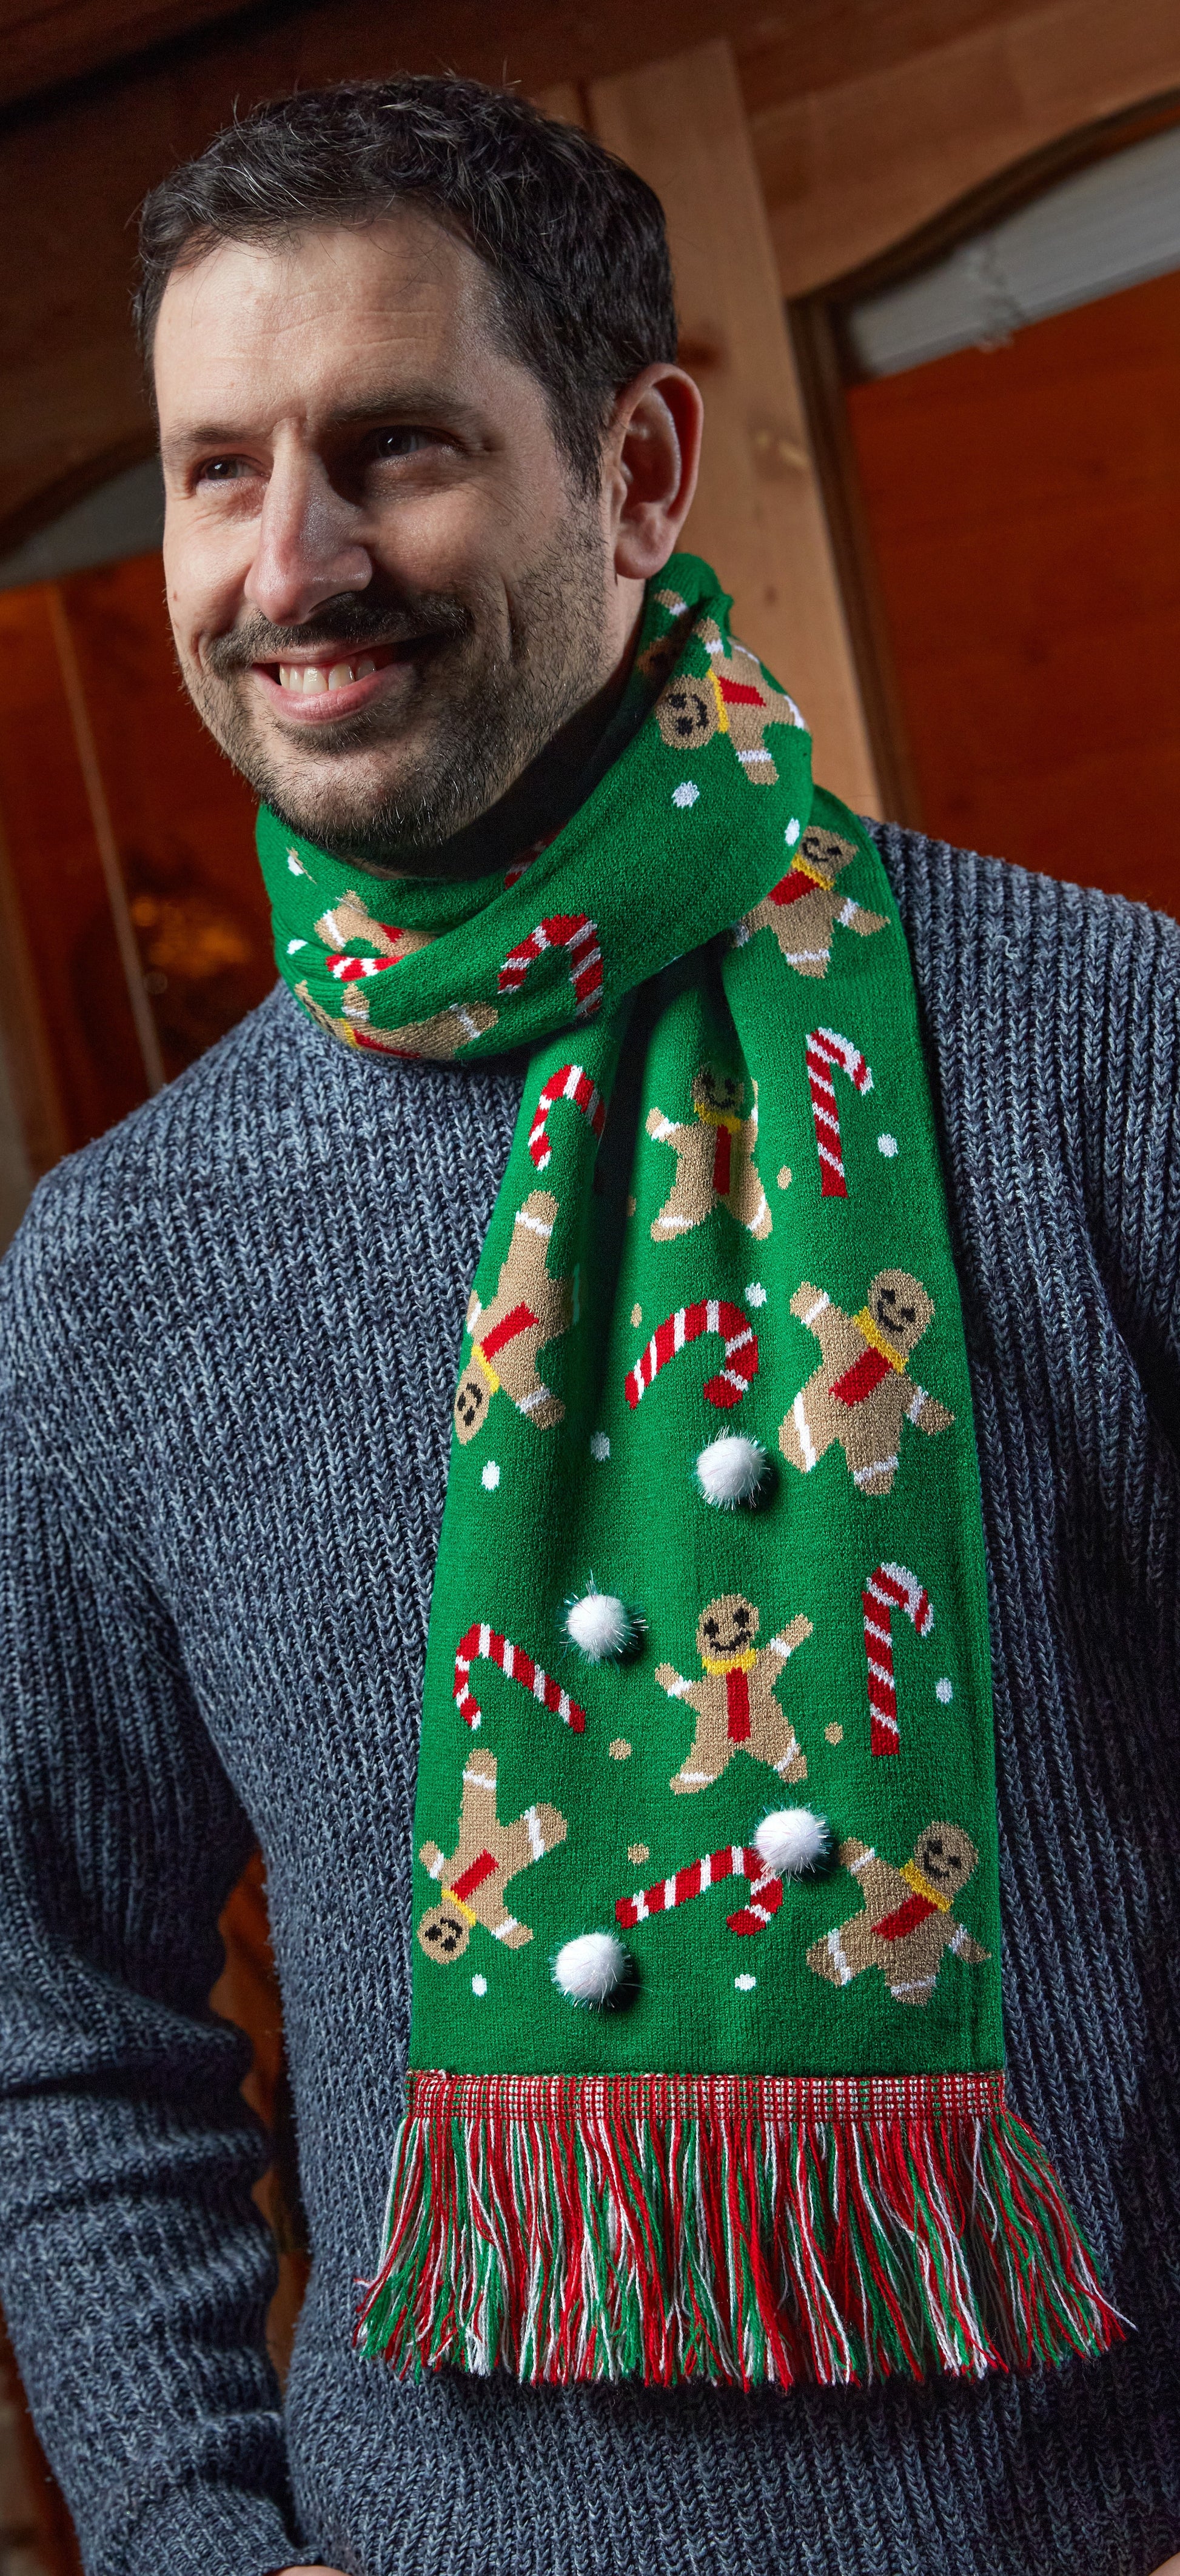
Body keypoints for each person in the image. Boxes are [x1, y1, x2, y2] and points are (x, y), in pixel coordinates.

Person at [1, 73, 1178, 2576]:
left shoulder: (1103, 1051)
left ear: (637, 470)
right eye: (217, 470)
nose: (287, 563)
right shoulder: (115, 1269)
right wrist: (196, 2534)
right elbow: (61, 2017)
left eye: (393, 446)